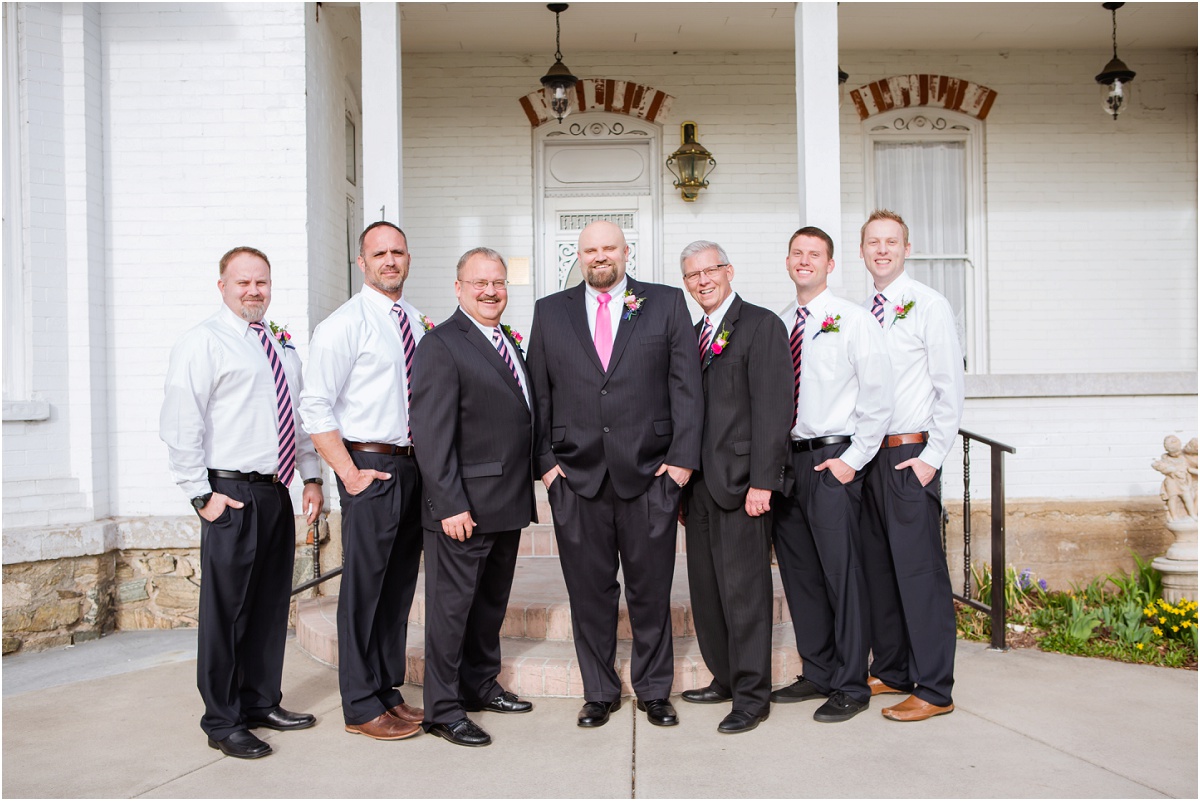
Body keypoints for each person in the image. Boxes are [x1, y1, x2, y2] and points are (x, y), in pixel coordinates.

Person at [526, 220, 703, 728]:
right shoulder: (549, 312)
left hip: (651, 476)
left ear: (626, 252)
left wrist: (681, 465)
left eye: (609, 248)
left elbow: (686, 387)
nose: (600, 256)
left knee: (650, 589)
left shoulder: (665, 303)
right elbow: (540, 394)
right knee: (589, 592)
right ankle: (599, 691)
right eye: (590, 250)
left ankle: (653, 690)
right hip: (576, 480)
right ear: (579, 256)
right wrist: (547, 467)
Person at [160, 246, 323, 759]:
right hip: (229, 493)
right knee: (227, 610)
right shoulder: (203, 343)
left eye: (262, 283)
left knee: (272, 605)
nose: (254, 291)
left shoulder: (277, 344)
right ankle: (222, 718)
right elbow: (180, 421)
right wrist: (199, 494)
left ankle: (260, 701)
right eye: (243, 283)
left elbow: (295, 418)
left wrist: (312, 477)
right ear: (222, 286)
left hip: (276, 490)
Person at [299, 221, 427, 741]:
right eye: (379, 253)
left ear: (408, 258)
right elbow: (314, 406)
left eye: (398, 251)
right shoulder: (343, 325)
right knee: (364, 591)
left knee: (397, 590)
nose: (389, 261)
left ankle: (386, 692)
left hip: (413, 466)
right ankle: (358, 704)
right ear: (362, 262)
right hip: (369, 467)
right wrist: (347, 474)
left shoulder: (416, 321)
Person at [410, 248, 537, 747]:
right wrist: (449, 504)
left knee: (489, 605)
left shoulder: (505, 339)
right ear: (459, 288)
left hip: (505, 503)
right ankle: (442, 708)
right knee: (451, 610)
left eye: (499, 283)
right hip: (463, 508)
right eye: (480, 283)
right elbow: (431, 433)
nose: (490, 291)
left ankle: (481, 684)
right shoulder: (442, 345)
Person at [770, 226, 892, 723]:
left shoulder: (853, 320)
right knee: (800, 573)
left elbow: (878, 397)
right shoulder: (778, 324)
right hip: (788, 462)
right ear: (788, 261)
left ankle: (850, 683)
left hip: (834, 458)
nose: (805, 261)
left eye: (814, 254)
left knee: (842, 574)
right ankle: (817, 669)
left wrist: (852, 459)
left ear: (830, 264)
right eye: (797, 252)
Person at [675, 241, 793, 734]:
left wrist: (764, 481)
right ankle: (723, 677)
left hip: (745, 484)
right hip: (698, 486)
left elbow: (773, 409)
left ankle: (751, 694)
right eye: (692, 275)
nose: (702, 281)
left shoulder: (761, 325)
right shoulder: (692, 333)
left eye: (710, 271)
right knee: (706, 590)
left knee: (745, 591)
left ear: (728, 271)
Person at [856, 209, 965, 722]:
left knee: (920, 574)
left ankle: (934, 688)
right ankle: (894, 668)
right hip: (869, 456)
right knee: (880, 570)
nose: (882, 250)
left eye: (891, 242)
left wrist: (931, 459)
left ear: (906, 248)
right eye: (873, 242)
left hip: (908, 455)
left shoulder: (929, 305)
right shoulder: (859, 312)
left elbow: (950, 387)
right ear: (861, 252)